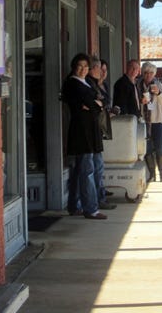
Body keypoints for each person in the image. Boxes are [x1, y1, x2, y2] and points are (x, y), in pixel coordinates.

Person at [60, 53, 107, 220]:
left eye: (86, 67)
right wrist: (95, 104)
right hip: (81, 131)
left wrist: (96, 104)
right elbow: (92, 105)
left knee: (79, 170)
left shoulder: (86, 82)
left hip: (91, 130)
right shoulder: (72, 83)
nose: (83, 69)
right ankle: (91, 209)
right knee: (86, 170)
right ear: (74, 67)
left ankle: (74, 205)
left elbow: (102, 101)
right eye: (80, 66)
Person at [87, 55, 116, 210]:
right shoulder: (89, 84)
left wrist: (101, 103)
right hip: (91, 129)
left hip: (97, 129)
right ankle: (98, 200)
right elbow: (93, 104)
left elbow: (103, 102)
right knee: (94, 168)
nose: (102, 73)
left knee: (96, 166)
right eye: (100, 69)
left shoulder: (98, 85)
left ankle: (99, 197)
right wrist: (100, 103)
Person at [137, 62, 162, 182]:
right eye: (146, 72)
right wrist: (141, 102)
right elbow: (135, 102)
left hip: (157, 121)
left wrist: (159, 94)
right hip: (143, 121)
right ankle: (152, 174)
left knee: (159, 147)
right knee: (147, 148)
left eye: (151, 73)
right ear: (142, 73)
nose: (148, 75)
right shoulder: (138, 85)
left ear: (154, 74)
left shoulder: (158, 85)